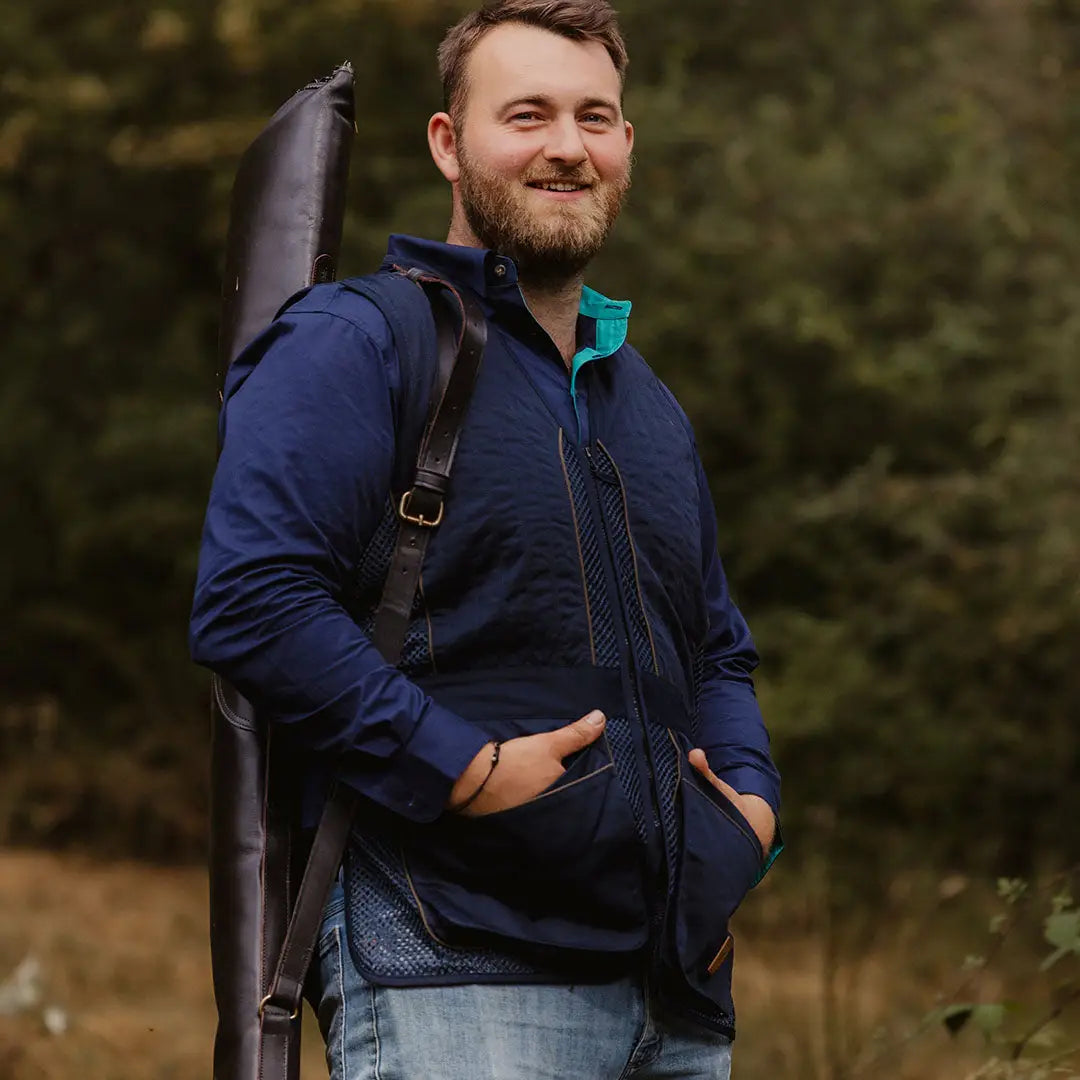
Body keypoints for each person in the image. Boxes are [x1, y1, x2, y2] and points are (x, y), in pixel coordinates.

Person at [190, 2, 782, 1077]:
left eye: (593, 116)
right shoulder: (357, 339)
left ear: (626, 146)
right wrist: (458, 765)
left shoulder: (643, 399)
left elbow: (719, 649)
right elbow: (253, 600)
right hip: (454, 965)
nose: (566, 145)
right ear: (448, 145)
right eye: (527, 115)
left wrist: (747, 814)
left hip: (678, 997)